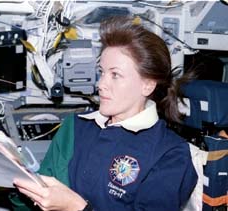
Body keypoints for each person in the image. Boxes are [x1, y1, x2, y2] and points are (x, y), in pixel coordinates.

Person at [12, 16, 198, 211]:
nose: (100, 84)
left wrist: (77, 208)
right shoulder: (75, 127)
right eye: (102, 72)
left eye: (115, 75)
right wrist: (15, 180)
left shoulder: (171, 154)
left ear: (147, 85)